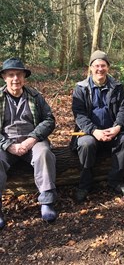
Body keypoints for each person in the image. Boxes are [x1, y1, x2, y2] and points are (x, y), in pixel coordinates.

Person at [0, 57, 57, 229]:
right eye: (11, 75)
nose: (15, 79)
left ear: (24, 77)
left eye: (19, 74)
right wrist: (8, 145)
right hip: (5, 143)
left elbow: (49, 120)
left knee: (44, 154)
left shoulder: (35, 97)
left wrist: (32, 139)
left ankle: (47, 202)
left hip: (32, 140)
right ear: (4, 77)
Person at [71, 50, 124, 202]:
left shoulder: (117, 87)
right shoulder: (81, 88)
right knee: (86, 144)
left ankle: (115, 180)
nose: (100, 69)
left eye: (103, 65)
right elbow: (79, 115)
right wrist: (94, 131)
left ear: (108, 67)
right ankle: (85, 185)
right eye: (96, 65)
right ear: (90, 68)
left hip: (113, 131)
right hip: (89, 133)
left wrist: (117, 127)